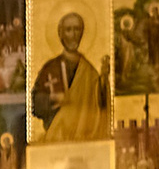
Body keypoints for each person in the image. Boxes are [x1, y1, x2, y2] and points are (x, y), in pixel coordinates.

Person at [30, 10, 111, 142]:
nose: (73, 35)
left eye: (77, 29)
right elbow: (34, 105)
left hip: (83, 137)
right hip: (56, 136)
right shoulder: (50, 68)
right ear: (61, 34)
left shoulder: (89, 70)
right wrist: (52, 98)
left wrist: (103, 80)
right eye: (68, 30)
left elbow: (99, 105)